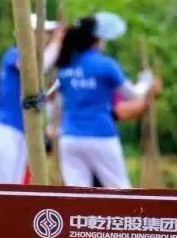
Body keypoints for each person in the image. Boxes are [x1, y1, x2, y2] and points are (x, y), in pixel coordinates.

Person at [53, 13, 154, 189]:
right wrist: (146, 82)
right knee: (119, 190)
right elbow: (133, 95)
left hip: (69, 136)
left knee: (77, 193)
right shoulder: (106, 65)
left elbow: (58, 105)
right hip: (100, 134)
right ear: (98, 39)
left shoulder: (65, 66)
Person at [0, 18, 64, 185]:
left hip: (21, 132)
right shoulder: (15, 54)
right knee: (0, 188)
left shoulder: (31, 71)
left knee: (14, 187)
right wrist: (58, 41)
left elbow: (30, 101)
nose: (45, 38)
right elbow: (34, 67)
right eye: (43, 33)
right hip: (4, 130)